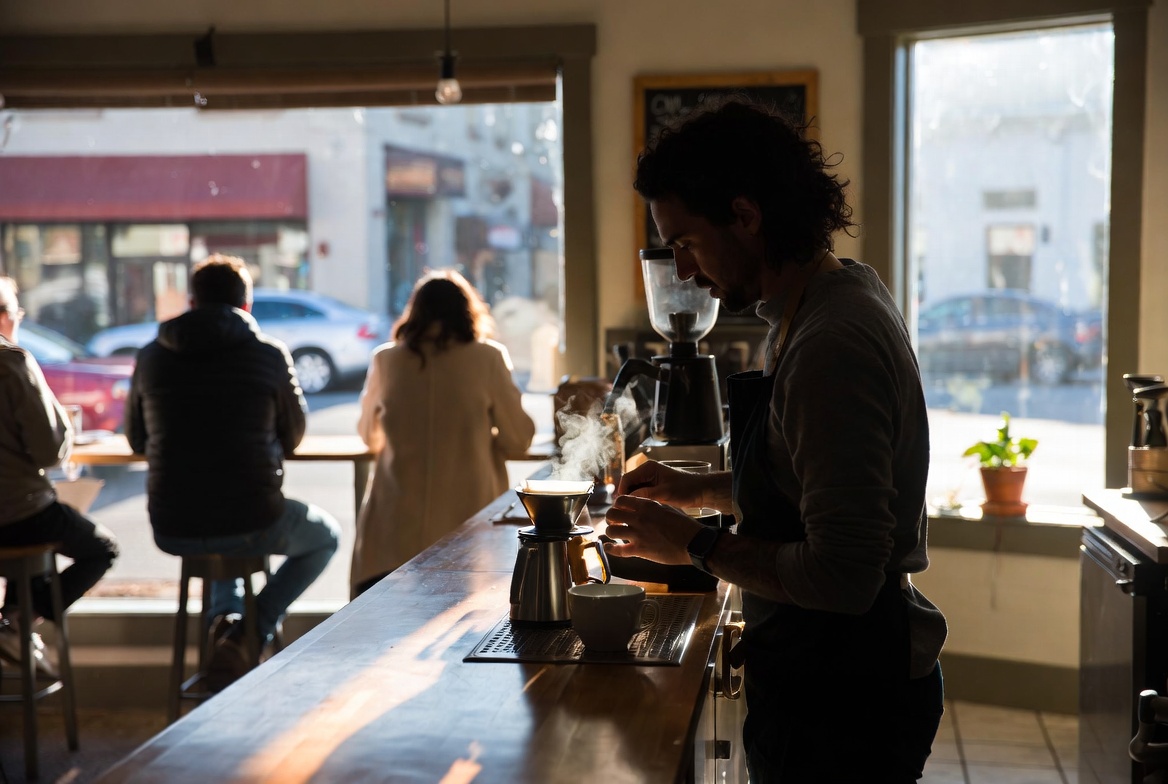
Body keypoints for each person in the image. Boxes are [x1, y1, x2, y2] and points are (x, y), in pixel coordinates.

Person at [604, 99, 948, 783]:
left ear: (746, 216)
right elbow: (808, 483)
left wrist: (692, 543)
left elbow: (843, 576)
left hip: (846, 698)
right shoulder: (830, 296)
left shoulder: (830, 344)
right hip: (827, 676)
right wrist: (698, 490)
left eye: (686, 243)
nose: (684, 270)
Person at [125, 254, 339, 690]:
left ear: (191, 301)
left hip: (174, 523)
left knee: (219, 529)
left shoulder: (151, 356)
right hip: (252, 518)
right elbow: (293, 435)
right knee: (324, 537)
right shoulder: (268, 353)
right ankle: (248, 633)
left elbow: (136, 439)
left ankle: (225, 626)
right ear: (247, 305)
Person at [352, 269, 535, 597]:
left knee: (389, 626)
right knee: (461, 626)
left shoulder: (386, 360)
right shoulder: (487, 358)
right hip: (468, 522)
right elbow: (518, 438)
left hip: (396, 524)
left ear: (415, 312)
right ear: (469, 311)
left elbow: (369, 435)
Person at [0, 276, 119, 677]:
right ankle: (18, 624)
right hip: (18, 515)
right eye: (16, 313)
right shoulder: (11, 362)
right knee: (100, 548)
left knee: (42, 534)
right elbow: (50, 450)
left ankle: (15, 619)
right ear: (3, 318)